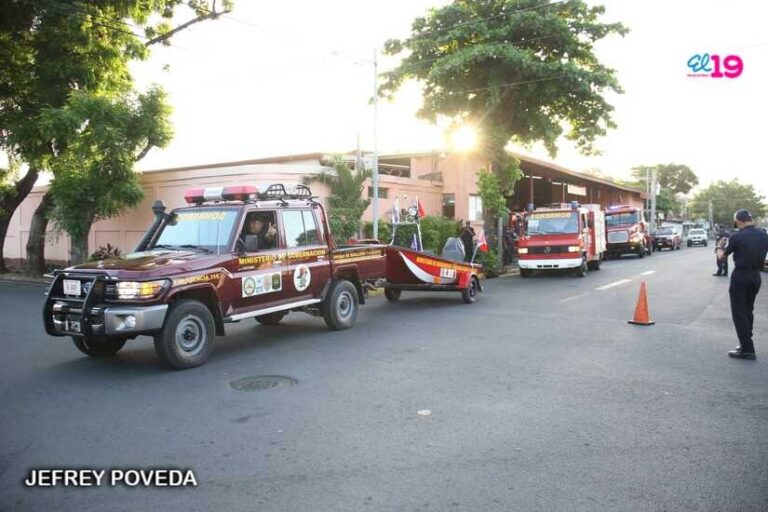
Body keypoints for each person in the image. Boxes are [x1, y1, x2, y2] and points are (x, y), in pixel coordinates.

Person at [719, 209, 768, 360]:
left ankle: (747, 349)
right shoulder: (764, 235)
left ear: (739, 221)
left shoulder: (737, 237)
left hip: (741, 277)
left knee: (739, 313)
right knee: (748, 311)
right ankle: (746, 342)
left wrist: (719, 247)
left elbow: (722, 258)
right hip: (756, 277)